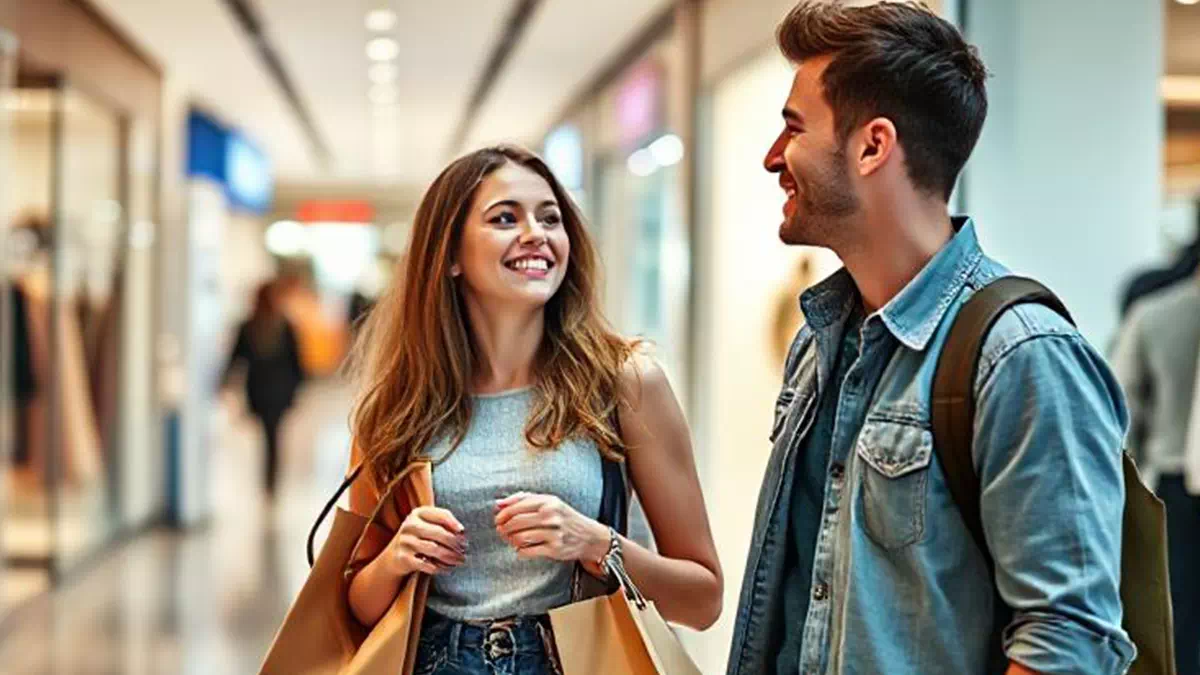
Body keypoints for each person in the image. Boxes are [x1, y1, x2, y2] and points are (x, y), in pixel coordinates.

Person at [726, 3, 1133, 675]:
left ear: (873, 145)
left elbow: (1069, 641)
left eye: (793, 128)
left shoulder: (1022, 356)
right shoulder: (819, 344)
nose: (774, 158)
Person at [343, 145, 722, 675]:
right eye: (504, 218)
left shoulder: (625, 384)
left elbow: (703, 599)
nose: (536, 234)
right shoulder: (398, 408)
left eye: (551, 218)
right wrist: (396, 558)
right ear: (449, 256)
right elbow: (356, 603)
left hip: (575, 659)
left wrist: (598, 544)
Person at [1111, 272, 1200, 675]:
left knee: (1170, 616)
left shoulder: (1154, 313)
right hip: (1170, 480)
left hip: (1168, 480)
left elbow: (1121, 413)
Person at [222, 281, 306, 499]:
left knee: (271, 436)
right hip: (271, 392)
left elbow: (295, 362)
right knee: (271, 436)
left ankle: (269, 480)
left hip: (267, 391)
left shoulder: (262, 326)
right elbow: (297, 364)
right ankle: (269, 481)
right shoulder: (274, 325)